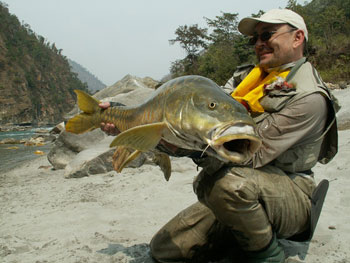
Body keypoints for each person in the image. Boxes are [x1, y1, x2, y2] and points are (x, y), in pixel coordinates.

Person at [100, 9, 338, 263]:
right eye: (254, 39)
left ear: (297, 37)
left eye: (267, 35)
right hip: (245, 188)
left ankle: (269, 255)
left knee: (228, 184)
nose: (258, 44)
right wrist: (129, 120)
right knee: (163, 249)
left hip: (288, 192)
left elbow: (245, 157)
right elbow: (198, 123)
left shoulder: (309, 98)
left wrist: (183, 147)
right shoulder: (246, 78)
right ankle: (244, 235)